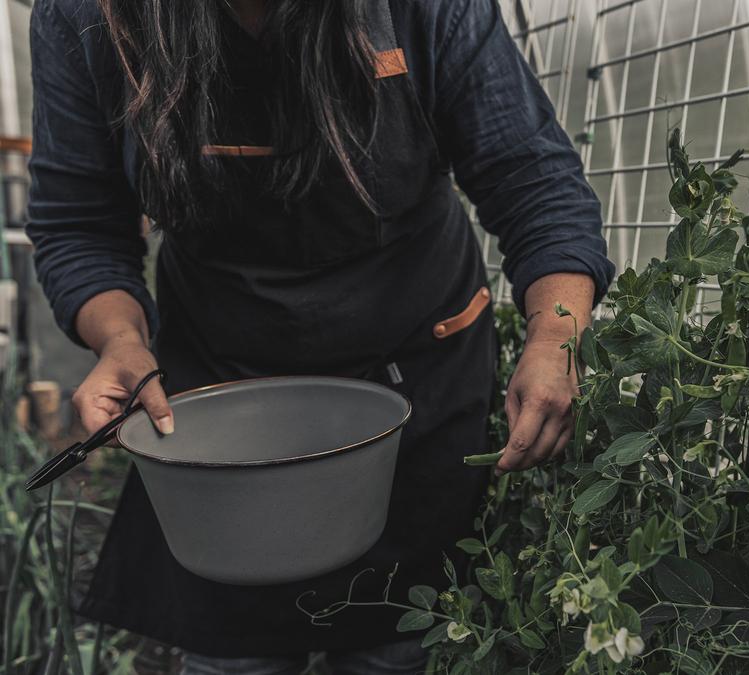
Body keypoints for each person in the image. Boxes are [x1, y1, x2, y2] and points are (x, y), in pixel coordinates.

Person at [27, 0, 615, 672]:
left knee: (394, 643)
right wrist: (121, 339)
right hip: (223, 404)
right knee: (232, 653)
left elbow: (533, 182)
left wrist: (554, 337)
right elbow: (80, 220)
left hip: (412, 395)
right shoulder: (87, 16)